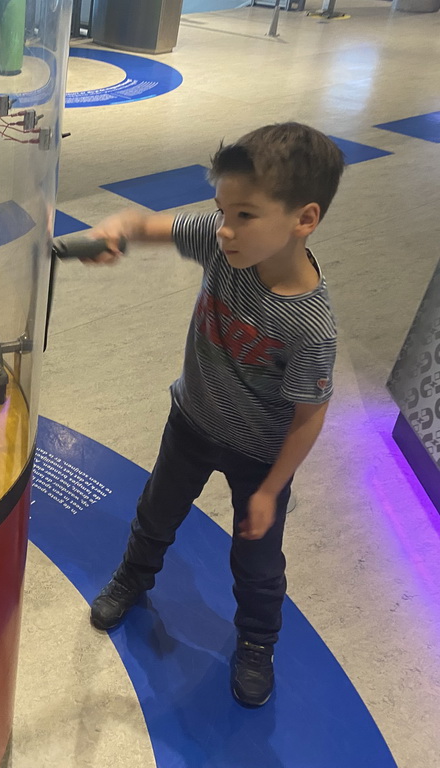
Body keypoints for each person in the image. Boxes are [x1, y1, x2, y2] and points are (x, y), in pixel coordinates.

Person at [83, 122, 344, 708]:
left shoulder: (310, 326)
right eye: (220, 210)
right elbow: (149, 227)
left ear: (304, 219)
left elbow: (309, 416)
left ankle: (256, 642)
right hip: (193, 420)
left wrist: (272, 489)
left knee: (256, 561)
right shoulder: (226, 244)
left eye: (244, 215)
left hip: (261, 455)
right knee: (157, 511)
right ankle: (133, 577)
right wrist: (118, 230)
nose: (224, 229)